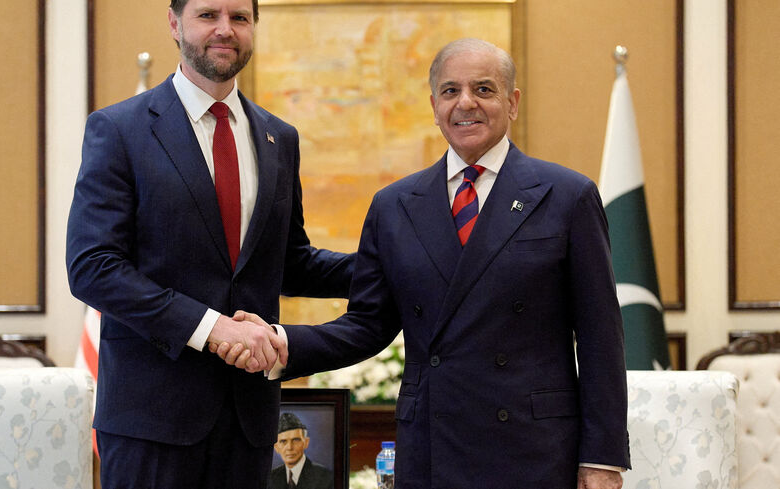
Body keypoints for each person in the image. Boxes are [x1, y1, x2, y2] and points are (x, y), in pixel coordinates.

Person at [219, 38, 630, 488]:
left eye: (484, 89)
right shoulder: (395, 205)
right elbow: (367, 325)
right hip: (434, 444)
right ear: (434, 105)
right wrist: (279, 343)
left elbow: (600, 338)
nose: (465, 103)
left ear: (512, 103)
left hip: (536, 447)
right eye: (451, 91)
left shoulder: (566, 196)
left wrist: (603, 458)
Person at [65, 0, 354, 486]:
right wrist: (211, 328)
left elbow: (291, 263)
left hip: (248, 420)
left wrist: (395, 259)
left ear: (254, 29)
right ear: (174, 24)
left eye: (240, 17)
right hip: (150, 422)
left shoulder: (278, 138)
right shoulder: (119, 130)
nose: (225, 30)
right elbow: (93, 266)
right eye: (208, 15)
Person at [269, 413, 334, 489]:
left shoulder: (325, 477)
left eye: (296, 440)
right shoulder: (271, 478)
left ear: (306, 443)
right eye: (283, 441)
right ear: (276, 447)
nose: (290, 447)